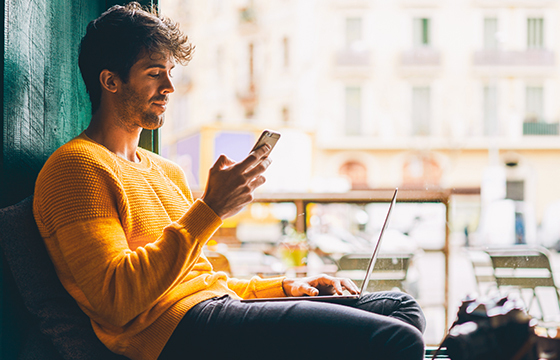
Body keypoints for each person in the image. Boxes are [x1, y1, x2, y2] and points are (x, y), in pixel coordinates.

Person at [33, 3, 426, 360]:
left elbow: (204, 280)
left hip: (214, 310)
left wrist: (284, 287)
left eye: (170, 73)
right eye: (155, 74)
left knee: (402, 309)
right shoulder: (76, 167)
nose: (169, 88)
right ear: (110, 81)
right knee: (397, 340)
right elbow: (116, 300)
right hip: (174, 334)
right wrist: (210, 209)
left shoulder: (166, 171)